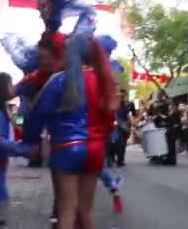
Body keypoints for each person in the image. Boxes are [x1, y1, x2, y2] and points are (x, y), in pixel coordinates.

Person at [23, 34, 118, 229]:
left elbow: (37, 116)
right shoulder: (103, 81)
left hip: (67, 148)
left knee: (67, 210)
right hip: (95, 149)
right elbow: (109, 122)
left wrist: (30, 142)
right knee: (86, 212)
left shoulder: (59, 81)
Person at [0, 73, 37, 228]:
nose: (13, 87)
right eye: (9, 84)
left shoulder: (8, 109)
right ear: (0, 89)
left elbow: (19, 127)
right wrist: (24, 150)